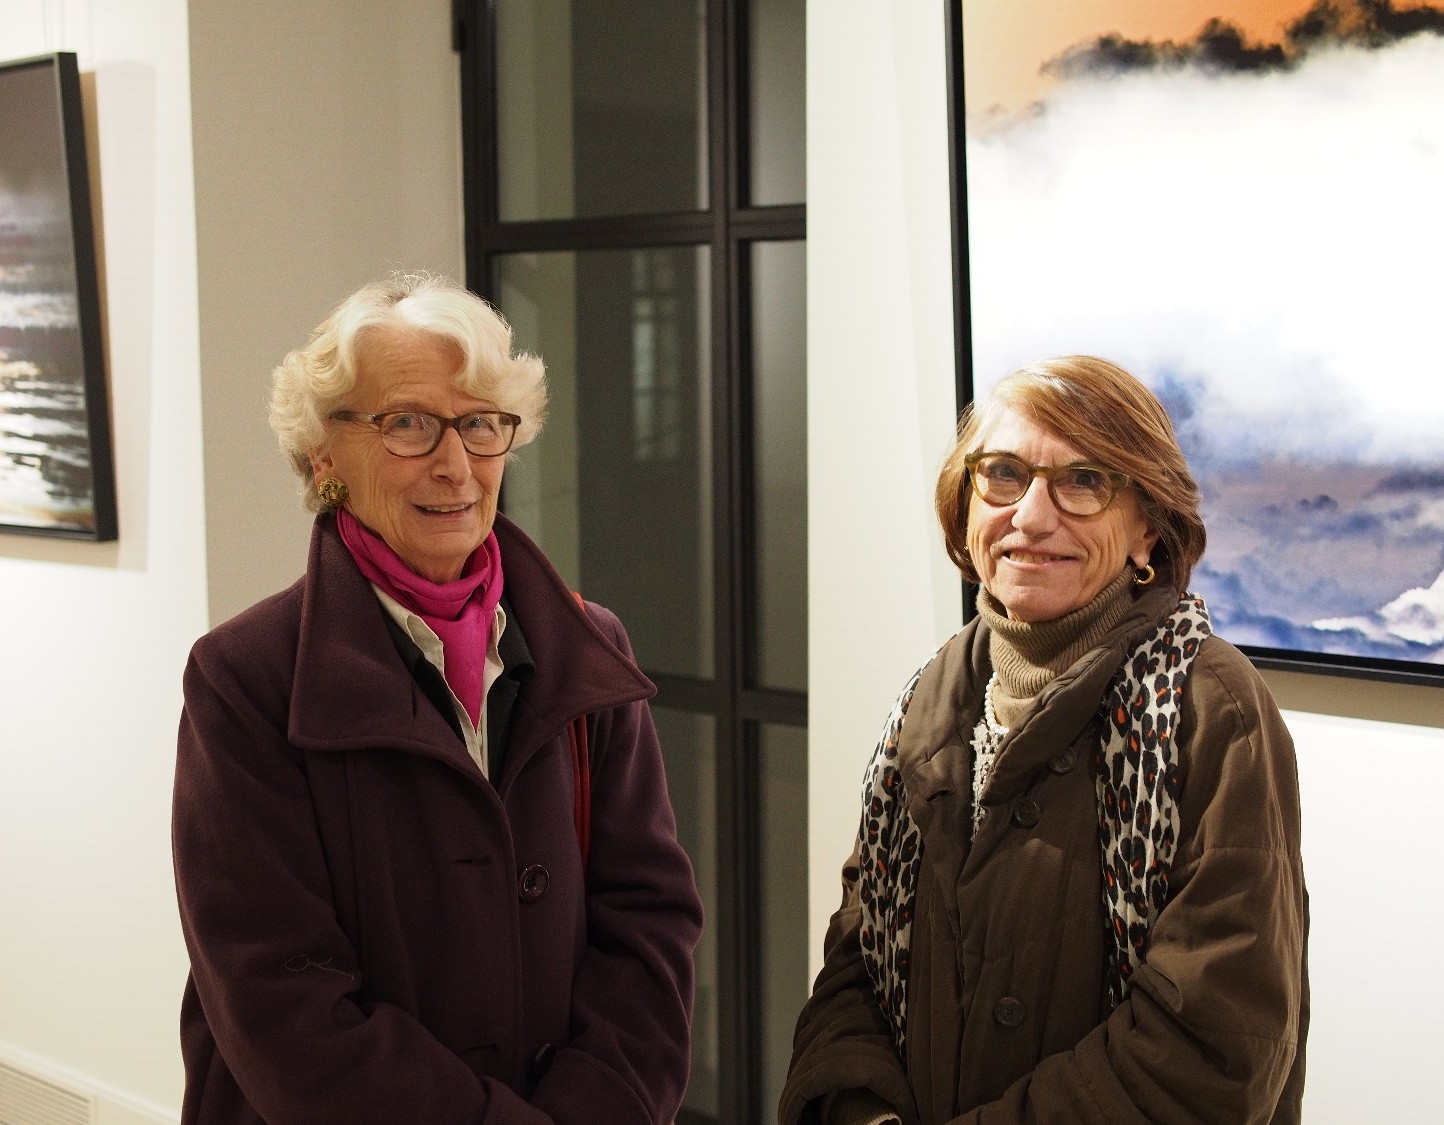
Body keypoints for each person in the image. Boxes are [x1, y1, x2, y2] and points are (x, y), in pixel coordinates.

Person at [172, 273, 702, 1124]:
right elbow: (282, 1003)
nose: (455, 464)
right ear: (324, 455)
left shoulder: (587, 643)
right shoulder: (245, 680)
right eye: (407, 424)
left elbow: (650, 927)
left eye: (481, 423)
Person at [781, 356, 1309, 1124]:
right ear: (965, 507)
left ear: (1148, 529)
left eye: (1084, 480)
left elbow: (1211, 1050)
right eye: (1003, 473)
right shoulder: (929, 700)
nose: (1030, 515)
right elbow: (855, 966)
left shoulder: (1211, 710)